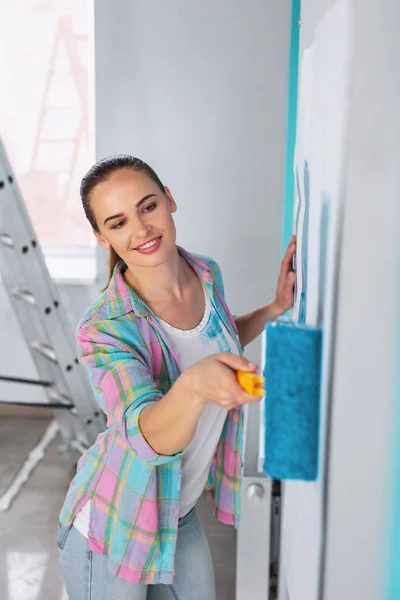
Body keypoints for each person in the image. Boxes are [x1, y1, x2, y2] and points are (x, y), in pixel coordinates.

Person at [57, 155, 296, 600]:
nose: (141, 230)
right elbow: (142, 433)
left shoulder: (205, 273)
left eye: (148, 207)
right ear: (101, 236)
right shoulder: (105, 328)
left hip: (176, 513)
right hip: (114, 524)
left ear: (169, 199)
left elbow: (211, 345)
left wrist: (271, 310)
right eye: (118, 222)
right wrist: (192, 385)